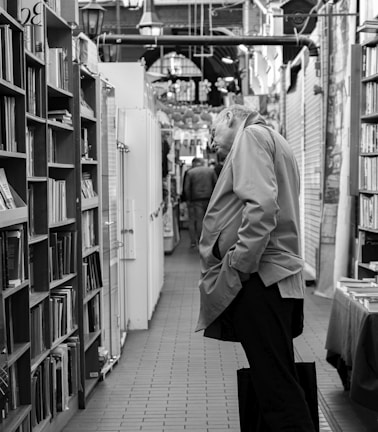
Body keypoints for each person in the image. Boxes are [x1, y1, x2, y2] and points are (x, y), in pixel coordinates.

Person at [195, 104, 315, 431]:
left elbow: (261, 207)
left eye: (214, 131)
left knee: (277, 390)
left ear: (231, 118)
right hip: (279, 277)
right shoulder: (276, 140)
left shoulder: (250, 137)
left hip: (262, 279)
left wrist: (239, 264)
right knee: (276, 380)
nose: (212, 141)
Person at [183, 157, 217, 248]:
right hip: (209, 198)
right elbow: (216, 185)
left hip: (196, 199)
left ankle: (198, 241)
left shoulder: (190, 172)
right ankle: (209, 241)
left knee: (198, 220)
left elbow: (186, 188)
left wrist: (188, 199)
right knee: (210, 220)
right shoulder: (210, 171)